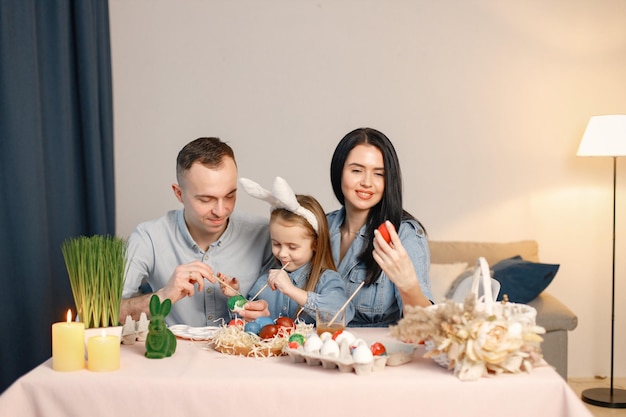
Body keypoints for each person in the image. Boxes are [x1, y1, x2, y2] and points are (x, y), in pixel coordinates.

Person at [120, 137, 275, 327]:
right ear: (179, 193)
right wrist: (163, 295)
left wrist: (265, 310)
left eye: (230, 196)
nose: (221, 210)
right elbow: (103, 313)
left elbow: (286, 312)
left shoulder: (265, 235)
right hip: (173, 355)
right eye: (206, 199)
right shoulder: (149, 238)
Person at [327, 127, 433, 327]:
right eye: (357, 170)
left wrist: (409, 285)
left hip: (375, 352)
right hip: (317, 350)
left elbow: (424, 326)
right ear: (339, 171)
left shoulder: (405, 235)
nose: (367, 182)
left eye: (378, 174)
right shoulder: (321, 227)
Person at [227, 177, 354, 324]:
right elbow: (246, 322)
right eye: (276, 244)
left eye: (292, 247)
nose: (282, 253)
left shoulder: (326, 280)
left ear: (315, 244)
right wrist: (235, 297)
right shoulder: (265, 282)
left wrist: (291, 290)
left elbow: (342, 314)